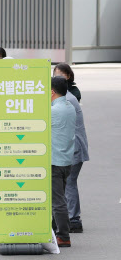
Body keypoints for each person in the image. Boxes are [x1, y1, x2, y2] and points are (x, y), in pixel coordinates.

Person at [53, 71, 89, 233]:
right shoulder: (68, 101)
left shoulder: (65, 102)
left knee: (65, 190)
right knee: (66, 187)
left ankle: (72, 220)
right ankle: (70, 220)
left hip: (68, 152)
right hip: (70, 152)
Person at [50, 77, 76, 247]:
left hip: (55, 161)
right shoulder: (70, 107)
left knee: (58, 201)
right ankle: (55, 230)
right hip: (66, 159)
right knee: (60, 198)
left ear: (52, 92)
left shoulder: (53, 111)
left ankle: (63, 236)